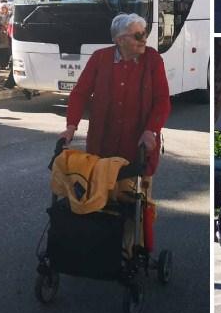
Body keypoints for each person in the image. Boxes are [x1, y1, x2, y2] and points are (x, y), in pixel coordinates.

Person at [60, 14, 171, 255]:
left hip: (137, 150)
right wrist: (71, 126)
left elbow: (162, 101)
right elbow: (79, 94)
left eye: (145, 34)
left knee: (132, 205)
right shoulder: (101, 58)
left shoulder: (152, 60)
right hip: (102, 147)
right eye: (138, 35)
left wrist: (151, 130)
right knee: (99, 201)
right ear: (120, 39)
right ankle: (99, 248)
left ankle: (127, 254)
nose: (144, 40)